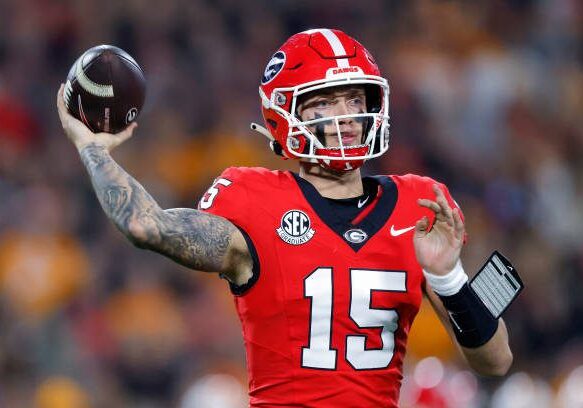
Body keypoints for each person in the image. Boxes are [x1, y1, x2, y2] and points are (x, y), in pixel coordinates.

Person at [57, 28, 513, 407]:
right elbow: (145, 226)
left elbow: (495, 361)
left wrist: (449, 275)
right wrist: (93, 150)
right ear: (283, 117)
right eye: (325, 103)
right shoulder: (255, 199)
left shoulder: (416, 204)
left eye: (355, 99)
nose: (347, 117)